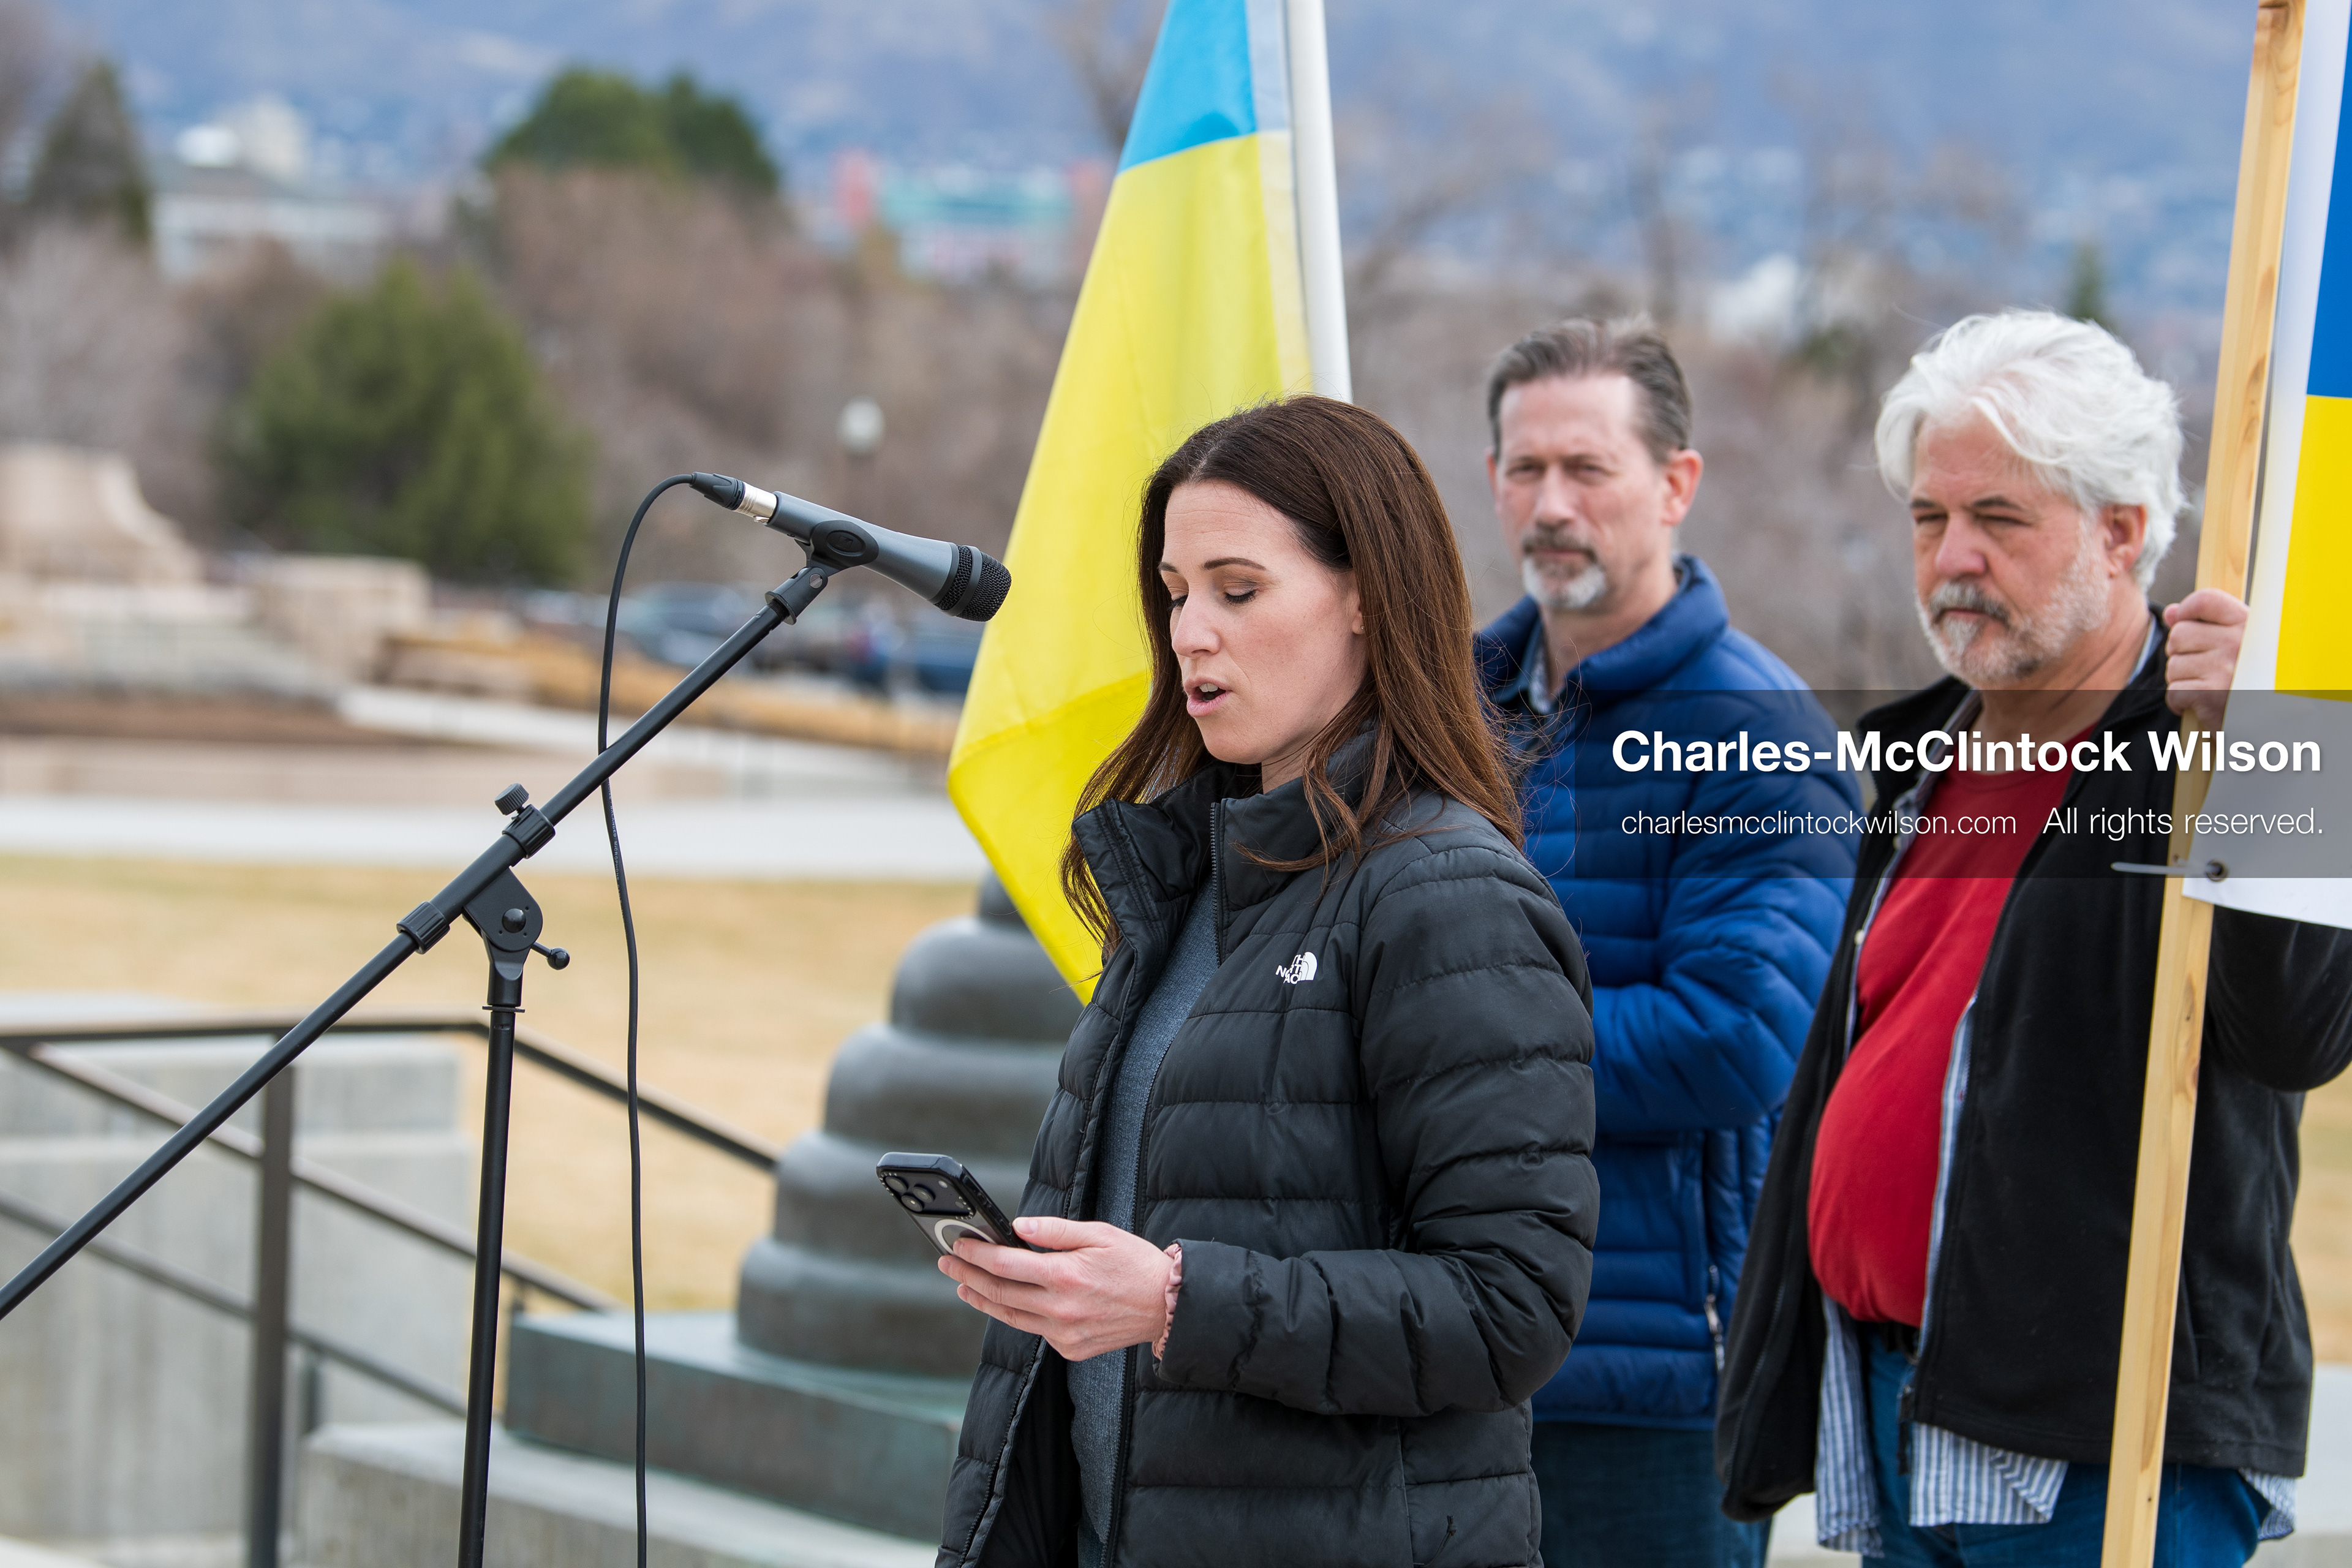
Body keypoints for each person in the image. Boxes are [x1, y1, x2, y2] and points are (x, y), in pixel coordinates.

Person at [1714, 309, 2352, 1565]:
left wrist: (2272, 744)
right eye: (1928, 518)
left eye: (1999, 519)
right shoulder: (1916, 759)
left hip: (2106, 1451)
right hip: (1906, 1410)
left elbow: (2300, 1033)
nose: (1954, 557)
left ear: (2123, 530)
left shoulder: (2218, 735)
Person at [933, 396, 1600, 1568]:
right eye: (1177, 593)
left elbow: (1512, 1310)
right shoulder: (1184, 879)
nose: (1192, 632)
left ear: (1363, 597)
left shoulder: (1448, 896)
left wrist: (1180, 1304)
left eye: (1238, 591)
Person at [1472, 317, 1860, 1568]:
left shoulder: (1753, 731)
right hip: (1445, 1339)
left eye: (1588, 469)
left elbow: (1741, 1039)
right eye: (1525, 469)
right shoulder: (1449, 707)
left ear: (1676, 483)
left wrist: (1455, 1054)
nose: (1551, 503)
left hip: (1648, 1381)